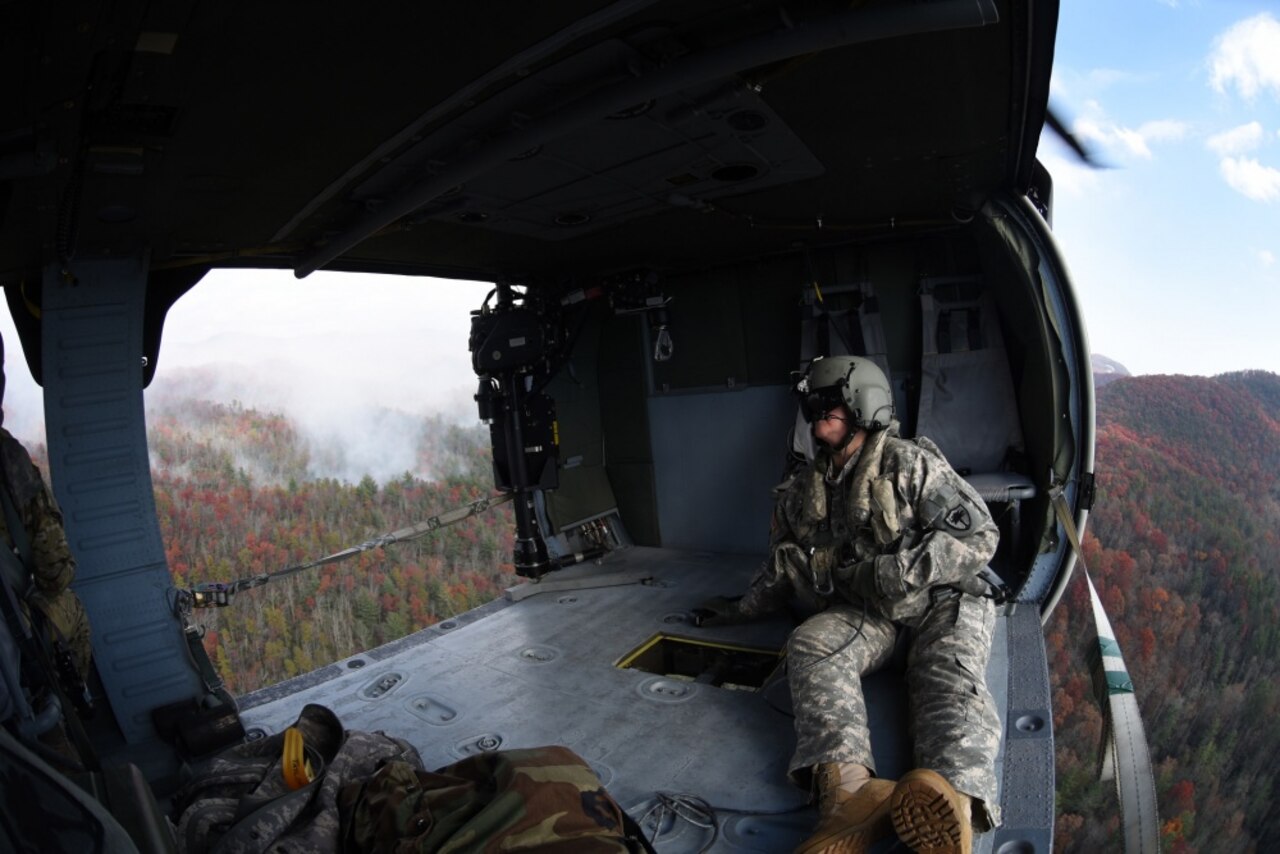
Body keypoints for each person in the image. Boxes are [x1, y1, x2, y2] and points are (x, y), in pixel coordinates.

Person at [696, 355, 1001, 854]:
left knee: (946, 678)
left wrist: (898, 570)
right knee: (812, 644)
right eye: (813, 411)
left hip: (937, 604)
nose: (818, 423)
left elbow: (981, 537)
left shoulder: (909, 463)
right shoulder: (802, 490)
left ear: (863, 408)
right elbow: (784, 565)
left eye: (829, 410)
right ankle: (851, 794)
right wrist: (739, 608)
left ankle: (952, 805)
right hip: (871, 615)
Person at [0, 332, 93, 749]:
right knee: (66, 607)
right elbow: (54, 572)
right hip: (8, 648)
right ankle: (67, 724)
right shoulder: (8, 459)